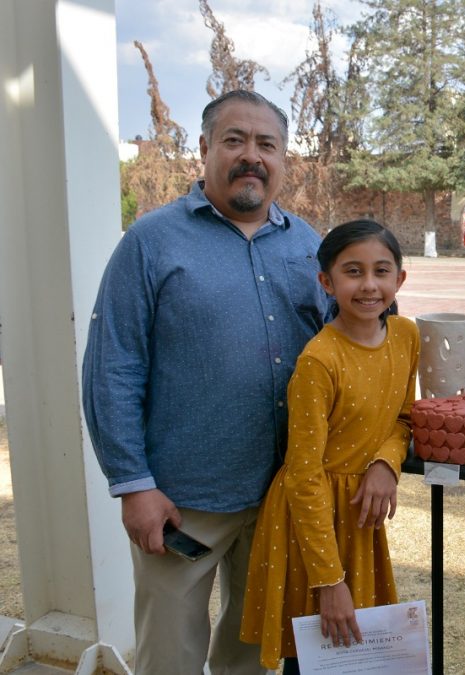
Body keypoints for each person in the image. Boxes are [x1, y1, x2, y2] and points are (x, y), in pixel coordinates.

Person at [82, 89, 329, 674]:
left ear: (284, 158)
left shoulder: (309, 245)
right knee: (170, 658)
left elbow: (351, 343)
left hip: (280, 498)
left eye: (266, 144)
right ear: (204, 149)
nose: (252, 156)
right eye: (235, 140)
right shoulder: (151, 241)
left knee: (251, 656)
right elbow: (113, 366)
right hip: (180, 502)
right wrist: (133, 484)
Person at [240, 220, 419, 673]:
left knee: (360, 655)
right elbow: (303, 474)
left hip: (360, 513)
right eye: (353, 272)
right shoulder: (319, 361)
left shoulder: (406, 337)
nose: (369, 285)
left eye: (381, 271)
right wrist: (329, 579)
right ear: (326, 282)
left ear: (399, 278)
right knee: (318, 648)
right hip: (311, 523)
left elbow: (404, 418)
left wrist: (386, 464)